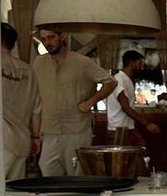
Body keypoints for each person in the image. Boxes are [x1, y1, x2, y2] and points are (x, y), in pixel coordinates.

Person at [33, 28, 116, 176]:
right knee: (47, 171)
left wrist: (91, 101)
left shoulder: (82, 62)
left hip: (76, 129)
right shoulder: (39, 63)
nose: (47, 43)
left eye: (51, 37)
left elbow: (110, 82)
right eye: (44, 39)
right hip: (49, 130)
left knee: (77, 175)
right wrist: (35, 132)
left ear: (63, 36)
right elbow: (35, 96)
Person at [0, 22, 41, 180]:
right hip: (23, 140)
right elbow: (37, 110)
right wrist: (35, 138)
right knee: (15, 189)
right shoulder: (29, 71)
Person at [106, 49, 161, 143]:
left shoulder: (126, 80)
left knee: (141, 149)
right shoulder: (119, 80)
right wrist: (147, 123)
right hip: (119, 129)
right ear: (131, 63)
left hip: (128, 128)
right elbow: (126, 108)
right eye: (139, 64)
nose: (142, 68)